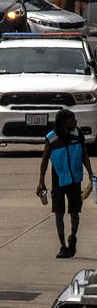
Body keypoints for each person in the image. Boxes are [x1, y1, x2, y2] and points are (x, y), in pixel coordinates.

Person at [39, 108, 96, 258]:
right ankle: (63, 245)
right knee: (59, 213)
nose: (75, 122)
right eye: (72, 119)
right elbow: (44, 161)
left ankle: (73, 237)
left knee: (75, 211)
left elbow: (84, 155)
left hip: (75, 180)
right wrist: (41, 182)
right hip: (58, 181)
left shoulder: (78, 134)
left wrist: (91, 174)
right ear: (64, 122)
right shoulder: (51, 139)